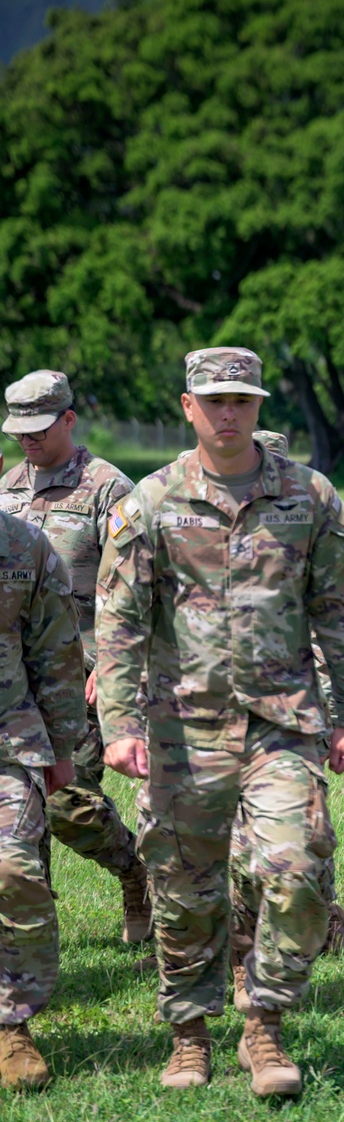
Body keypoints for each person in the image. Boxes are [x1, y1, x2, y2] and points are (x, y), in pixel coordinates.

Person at [96, 347, 344, 1096]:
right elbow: (120, 621)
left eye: (241, 400)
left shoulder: (309, 496)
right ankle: (189, 1034)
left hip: (282, 720)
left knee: (295, 866)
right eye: (213, 399)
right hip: (180, 729)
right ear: (187, 407)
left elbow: (341, 611)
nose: (228, 412)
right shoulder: (151, 502)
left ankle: (265, 1023)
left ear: (259, 407)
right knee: (183, 888)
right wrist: (119, 721)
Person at [0, 371, 151, 945]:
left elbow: (131, 587)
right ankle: (28, 934)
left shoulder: (110, 490)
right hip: (16, 674)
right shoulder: (8, 486)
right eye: (19, 432)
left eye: (39, 430)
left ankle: (134, 869)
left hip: (83, 673)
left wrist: (112, 665)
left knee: (67, 803)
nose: (28, 442)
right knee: (20, 807)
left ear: (68, 419)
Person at [227, 430, 344, 1016]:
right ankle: (238, 945)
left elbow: (336, 612)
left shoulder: (307, 509)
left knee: (302, 826)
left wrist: (338, 713)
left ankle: (314, 917)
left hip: (295, 697)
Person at [0, 506, 87, 1088]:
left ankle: (12, 1025)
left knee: (12, 868)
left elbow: (56, 651)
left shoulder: (26, 547)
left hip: (9, 742)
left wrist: (60, 748)